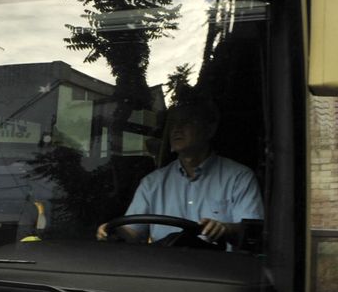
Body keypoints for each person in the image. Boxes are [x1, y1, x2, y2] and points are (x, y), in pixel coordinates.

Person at [96, 98, 263, 246]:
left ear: (210, 129)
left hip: (218, 268)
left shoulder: (239, 178)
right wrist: (113, 231)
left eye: (186, 122)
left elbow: (253, 235)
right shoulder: (152, 183)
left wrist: (225, 229)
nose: (176, 129)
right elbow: (133, 233)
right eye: (173, 124)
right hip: (162, 267)